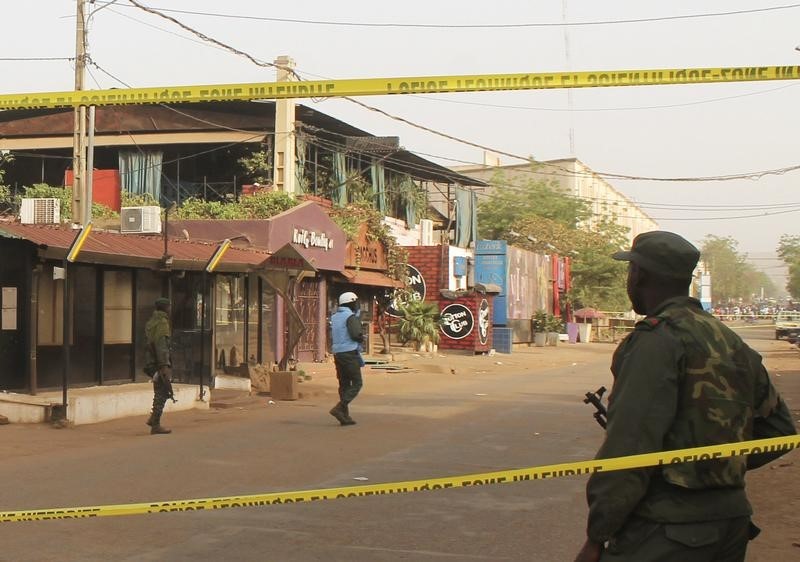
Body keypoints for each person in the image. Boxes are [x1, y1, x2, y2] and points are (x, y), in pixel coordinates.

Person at [575, 231, 797, 562]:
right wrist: (713, 466)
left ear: (640, 275)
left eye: (630, 270)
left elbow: (629, 447)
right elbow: (780, 431)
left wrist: (597, 536)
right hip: (730, 523)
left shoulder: (656, 340)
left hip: (669, 529)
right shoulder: (730, 340)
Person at [329, 291, 365, 426]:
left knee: (344, 384)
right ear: (351, 303)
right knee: (357, 383)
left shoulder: (335, 316)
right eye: (355, 303)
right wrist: (362, 337)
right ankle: (340, 408)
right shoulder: (351, 317)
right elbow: (356, 335)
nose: (357, 305)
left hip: (338, 354)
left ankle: (344, 416)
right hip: (349, 353)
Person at [144, 297, 174, 435]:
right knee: (163, 391)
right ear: (165, 308)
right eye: (169, 306)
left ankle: (153, 419)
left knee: (159, 391)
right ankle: (155, 423)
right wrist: (164, 365)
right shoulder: (162, 323)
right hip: (158, 362)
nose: (170, 309)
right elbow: (161, 345)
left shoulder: (151, 322)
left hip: (151, 361)